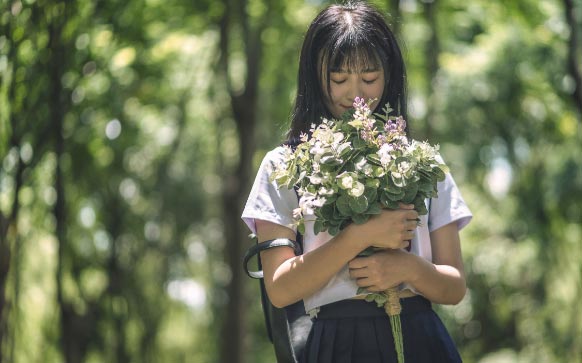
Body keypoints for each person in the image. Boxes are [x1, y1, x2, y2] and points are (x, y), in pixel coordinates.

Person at [242, 1, 472, 362]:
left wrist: (409, 268)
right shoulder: (283, 165)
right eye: (339, 79)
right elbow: (281, 289)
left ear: (390, 74)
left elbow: (455, 286)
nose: (356, 94)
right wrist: (362, 235)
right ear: (314, 77)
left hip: (420, 337)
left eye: (369, 78)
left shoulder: (422, 162)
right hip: (335, 343)